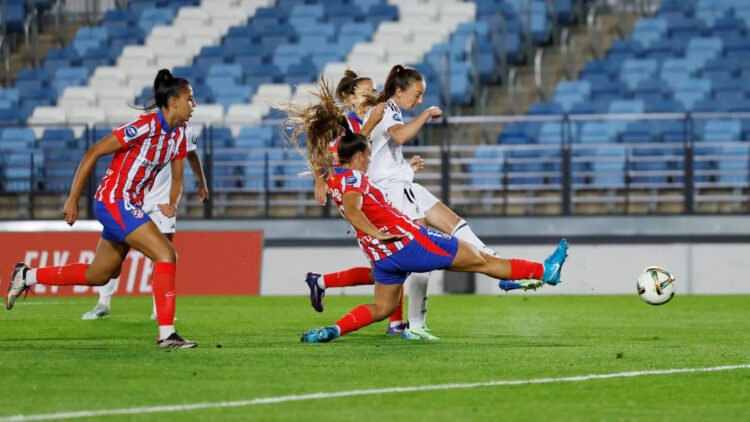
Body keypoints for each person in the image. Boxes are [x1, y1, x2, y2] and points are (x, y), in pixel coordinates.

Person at [293, 118, 567, 343]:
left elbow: (321, 158)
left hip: (383, 257)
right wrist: (379, 232)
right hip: (410, 242)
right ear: (356, 157)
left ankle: (331, 331)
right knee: (483, 260)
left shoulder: (334, 176)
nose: (369, 159)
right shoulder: (354, 177)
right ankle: (544, 271)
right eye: (366, 154)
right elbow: (353, 210)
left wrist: (319, 171)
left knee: (383, 308)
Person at [6, 69, 198, 348]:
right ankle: (167, 334)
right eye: (190, 99)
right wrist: (73, 198)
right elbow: (94, 151)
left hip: (130, 204)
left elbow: (179, 177)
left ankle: (27, 275)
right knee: (166, 253)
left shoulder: (179, 134)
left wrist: (173, 202)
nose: (194, 105)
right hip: (114, 200)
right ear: (173, 101)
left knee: (98, 274)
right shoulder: (144, 126)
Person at [81, 131, 209, 320]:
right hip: (131, 200)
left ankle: (159, 310)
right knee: (115, 258)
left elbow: (191, 155)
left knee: (164, 253)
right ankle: (103, 303)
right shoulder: (147, 127)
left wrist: (202, 182)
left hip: (161, 203)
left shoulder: (184, 131)